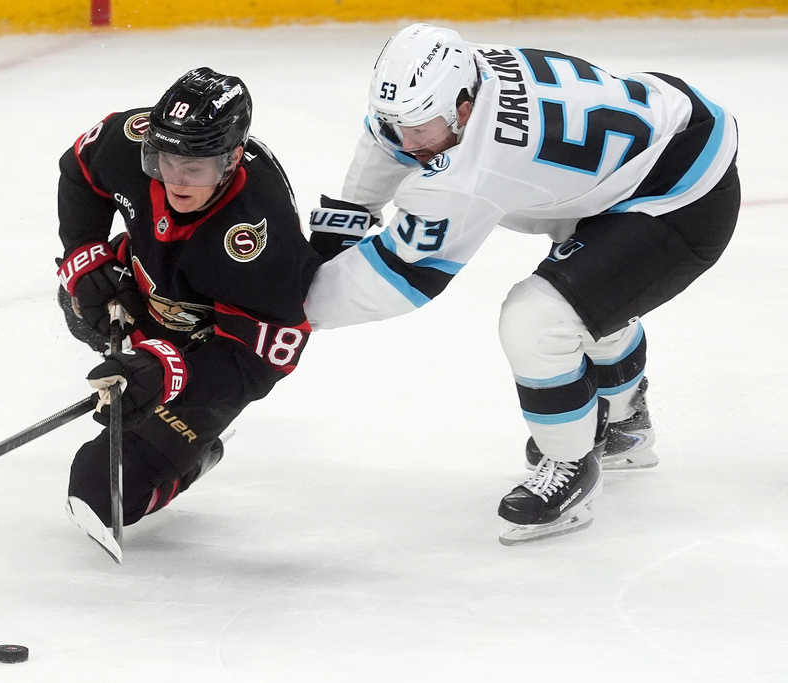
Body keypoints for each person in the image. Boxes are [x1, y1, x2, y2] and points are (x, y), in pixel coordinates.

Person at [305, 24, 739, 544]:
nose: (409, 143)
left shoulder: (472, 166)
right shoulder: (460, 75)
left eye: (423, 129)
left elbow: (397, 279)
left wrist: (277, 308)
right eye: (398, 124)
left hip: (683, 197)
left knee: (538, 320)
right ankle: (624, 423)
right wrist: (344, 222)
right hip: (652, 142)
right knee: (589, 299)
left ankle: (570, 466)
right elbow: (391, 141)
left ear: (465, 107)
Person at [55, 67, 321, 553]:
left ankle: (197, 448)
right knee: (79, 303)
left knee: (98, 492)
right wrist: (84, 253)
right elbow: (79, 169)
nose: (174, 178)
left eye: (194, 168)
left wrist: (168, 370)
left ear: (232, 159)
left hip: (208, 348)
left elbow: (266, 359)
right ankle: (140, 348)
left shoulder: (261, 238)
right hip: (146, 281)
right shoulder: (135, 141)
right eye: (164, 161)